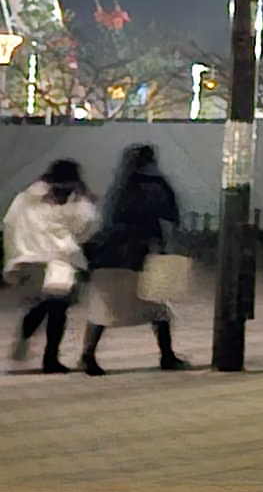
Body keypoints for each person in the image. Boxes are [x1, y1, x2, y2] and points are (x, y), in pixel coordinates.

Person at [72, 142, 187, 375]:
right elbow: (171, 217)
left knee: (103, 308)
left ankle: (87, 356)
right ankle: (167, 355)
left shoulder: (119, 186)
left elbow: (106, 219)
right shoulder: (156, 185)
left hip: (108, 256)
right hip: (139, 256)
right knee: (158, 308)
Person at [6, 156, 95, 373]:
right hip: (55, 261)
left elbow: (10, 223)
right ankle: (49, 357)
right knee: (55, 309)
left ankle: (28, 341)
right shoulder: (71, 201)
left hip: (29, 260)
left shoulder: (26, 197)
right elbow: (85, 226)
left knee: (43, 305)